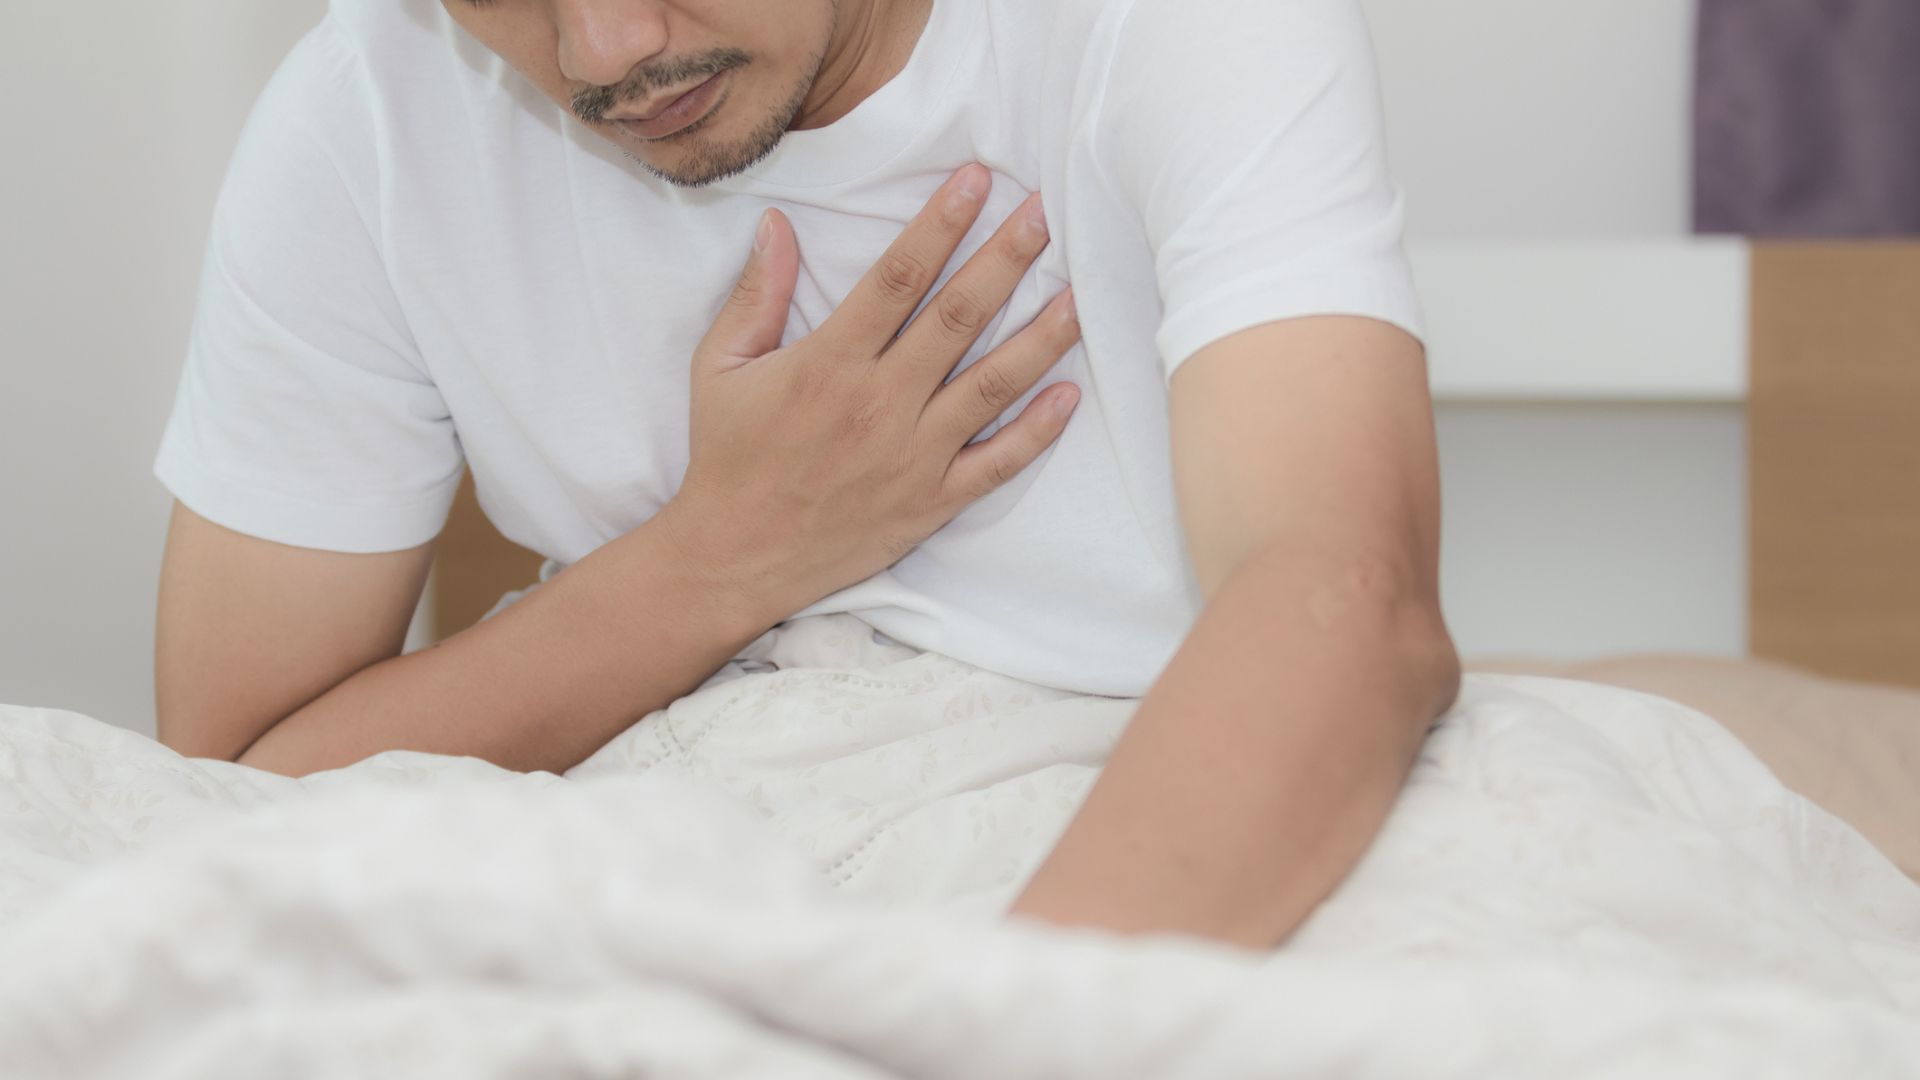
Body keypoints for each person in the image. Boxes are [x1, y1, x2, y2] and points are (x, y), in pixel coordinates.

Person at [152, 0, 1460, 948]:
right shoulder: (369, 114)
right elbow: (231, 777)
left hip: (1169, 818)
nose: (605, 50)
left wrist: (1000, 1027)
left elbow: (1344, 596)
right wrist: (718, 560)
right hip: (645, 841)